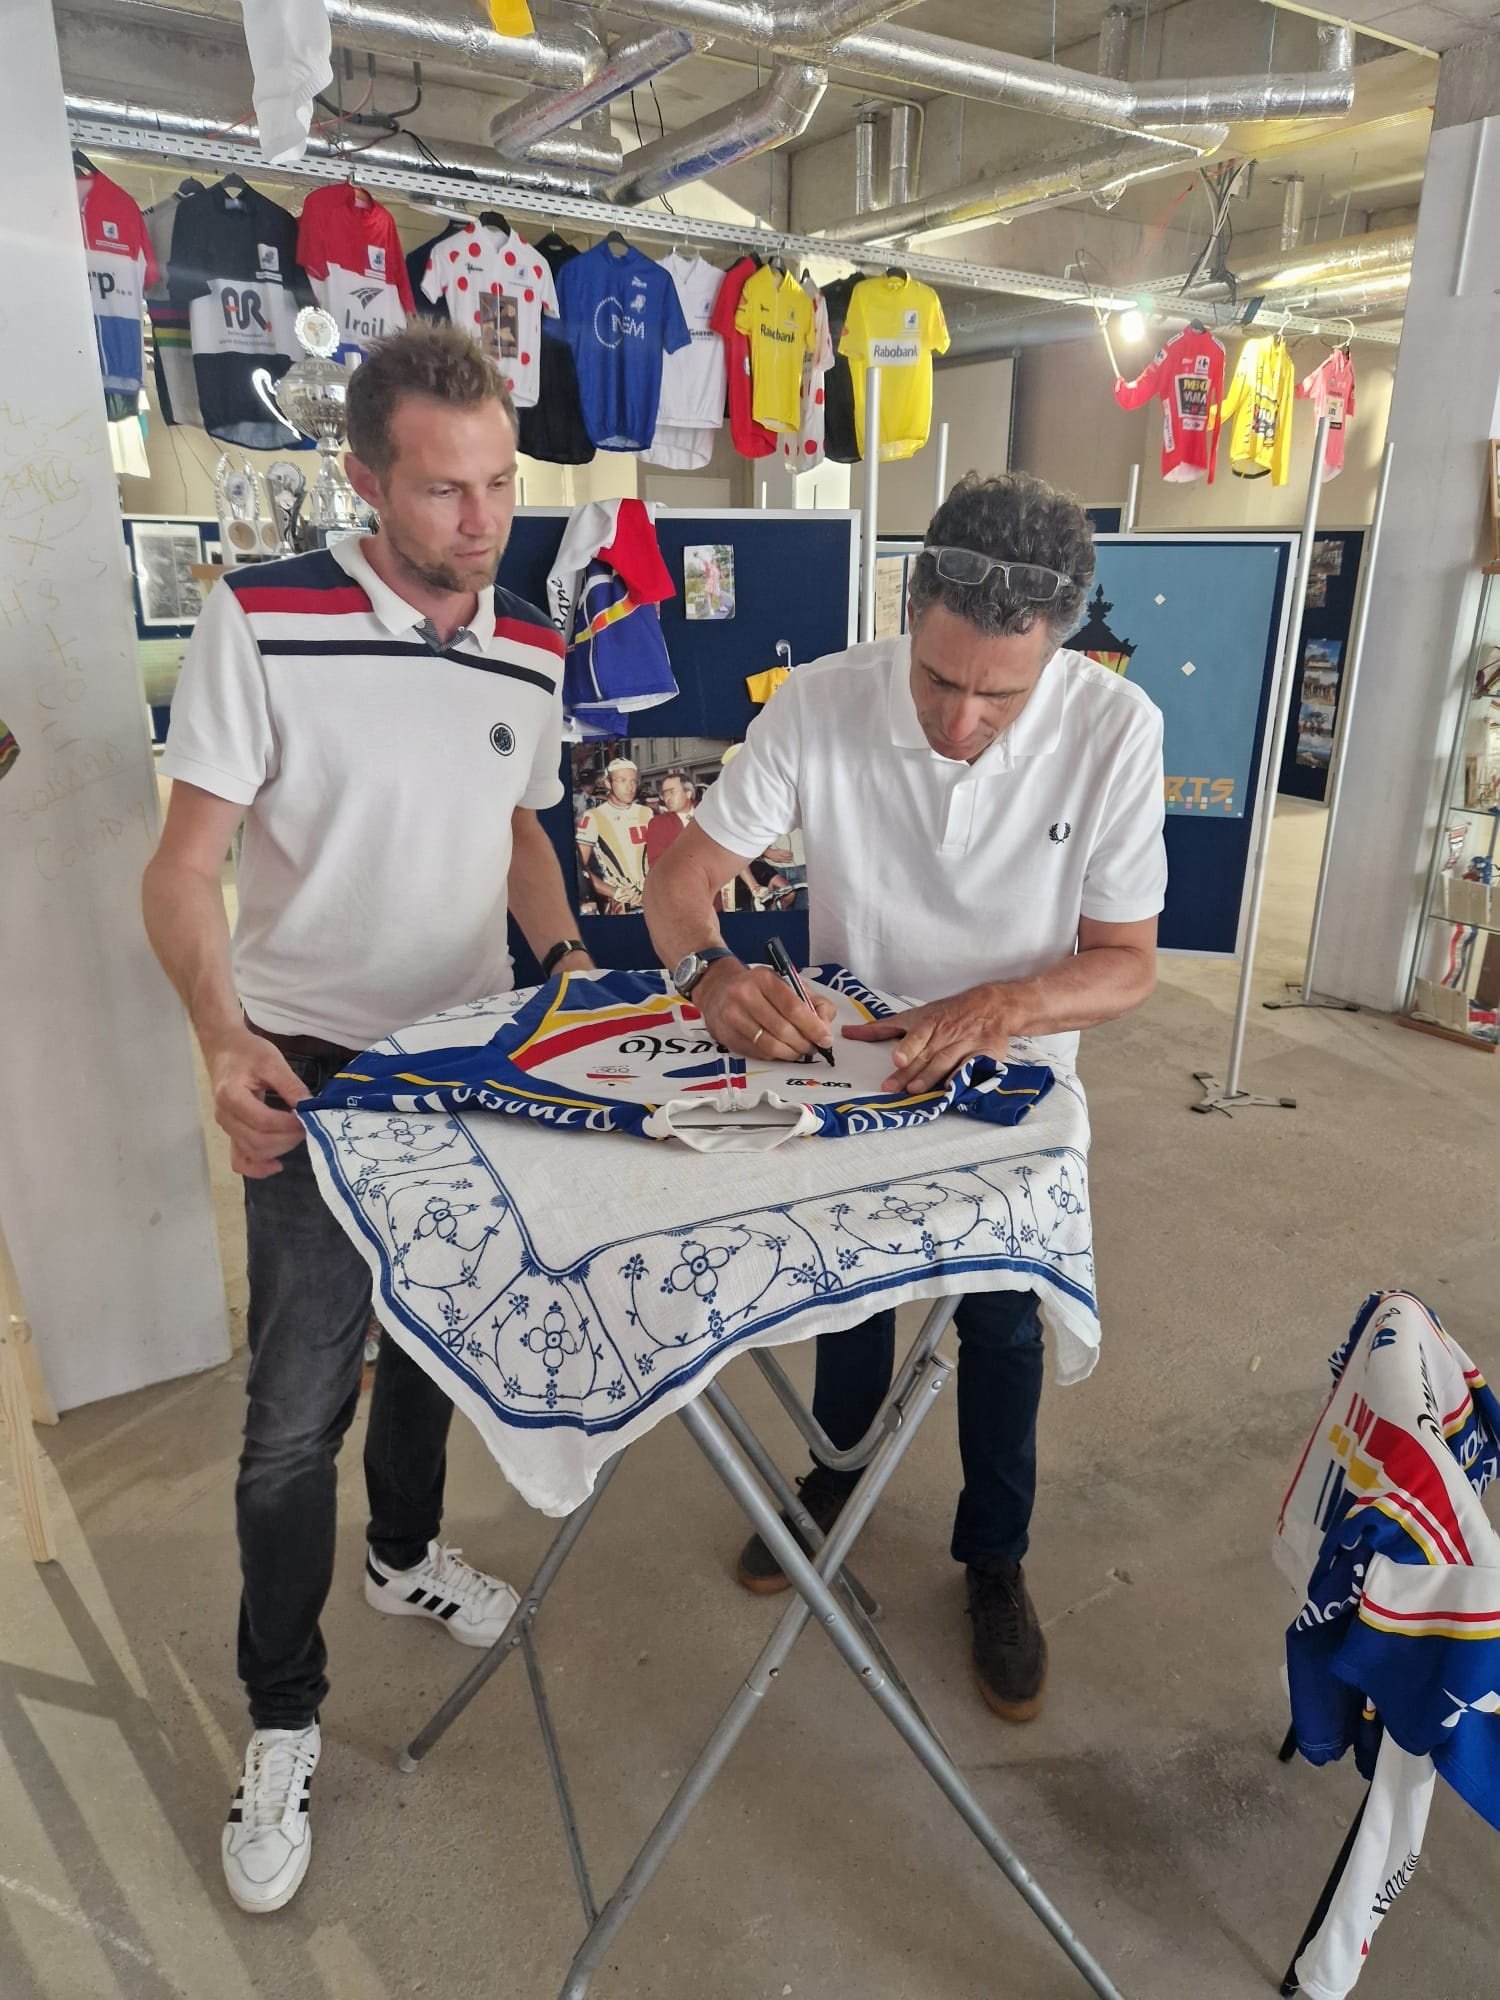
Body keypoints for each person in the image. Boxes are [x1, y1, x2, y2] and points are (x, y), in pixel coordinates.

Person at [142, 321, 594, 1915]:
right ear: (364, 480)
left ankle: (404, 1556)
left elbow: (519, 827)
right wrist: (222, 1038)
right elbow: (183, 868)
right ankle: (282, 1715)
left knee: (436, 1345)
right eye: (446, 490)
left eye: (501, 484)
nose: (484, 520)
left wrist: (567, 969)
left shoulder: (530, 642)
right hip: (312, 1068)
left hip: (465, 1059)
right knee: (293, 1413)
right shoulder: (261, 622)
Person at [644, 472, 1165, 1724]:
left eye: (1001, 696)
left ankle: (995, 1554)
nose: (961, 720)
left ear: (1056, 657)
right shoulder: (823, 701)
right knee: (852, 1287)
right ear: (908, 608)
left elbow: (1126, 961)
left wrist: (997, 1007)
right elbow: (680, 881)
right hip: (854, 1055)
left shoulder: (1116, 727)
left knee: (1000, 1317)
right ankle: (838, 1479)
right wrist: (710, 974)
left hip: (1014, 1069)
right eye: (937, 679)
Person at [576, 755, 653, 912]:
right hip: (620, 904)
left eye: (633, 781)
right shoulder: (593, 816)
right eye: (622, 780)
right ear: (607, 783)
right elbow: (579, 867)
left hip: (652, 898)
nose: (630, 787)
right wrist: (614, 892)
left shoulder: (647, 812)